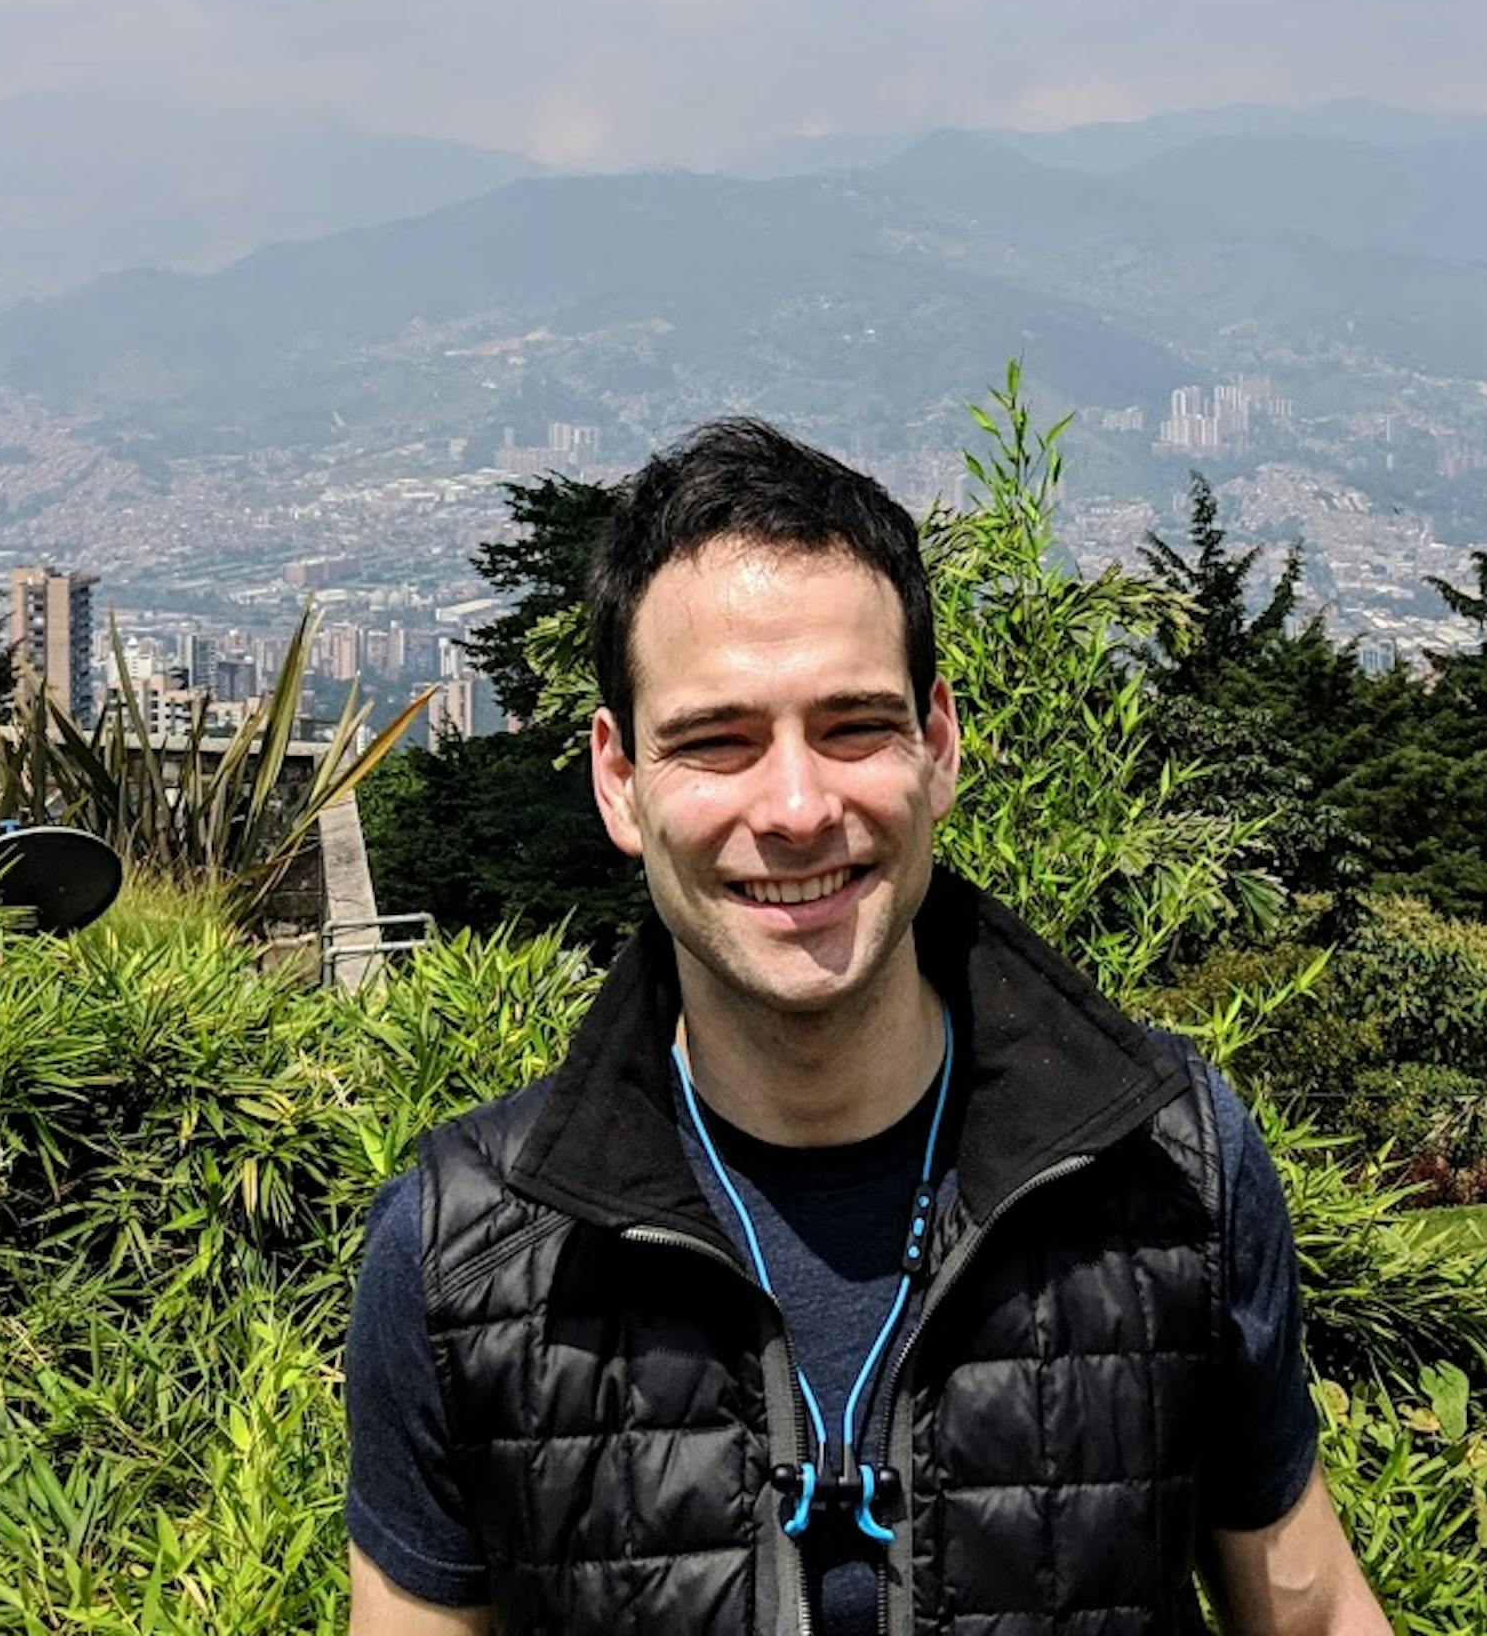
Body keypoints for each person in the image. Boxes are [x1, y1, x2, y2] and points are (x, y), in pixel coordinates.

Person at [345, 417, 1391, 1636]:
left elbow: (1311, 1612)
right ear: (619, 781)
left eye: (853, 727)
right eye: (718, 741)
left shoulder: (1174, 1171)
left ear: (938, 746)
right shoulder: (462, 1253)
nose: (796, 807)